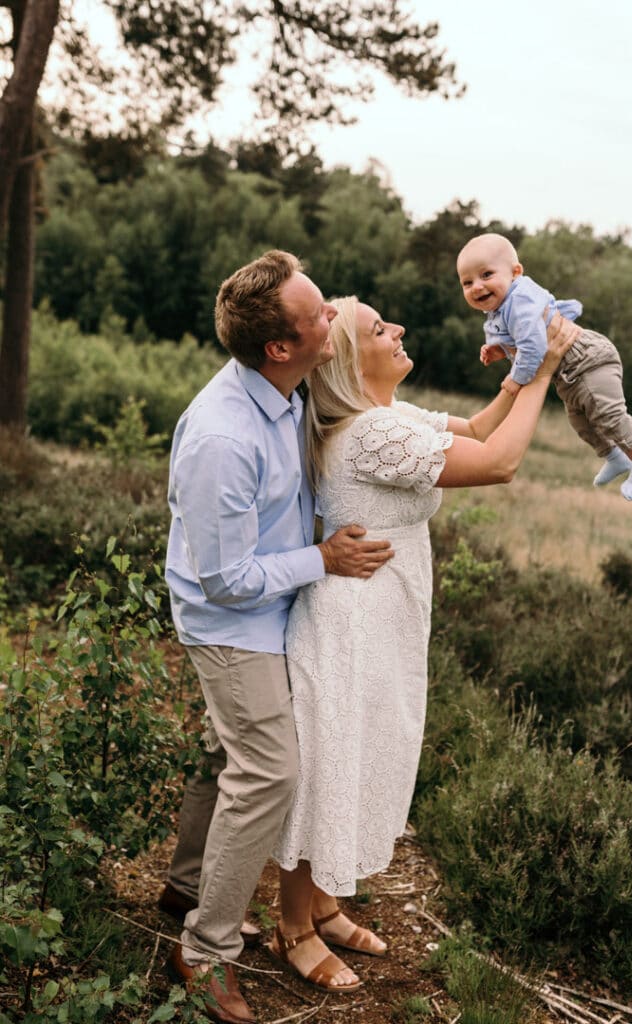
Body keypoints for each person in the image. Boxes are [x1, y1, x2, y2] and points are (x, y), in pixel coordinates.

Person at [268, 295, 579, 992]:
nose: (399, 328)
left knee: (364, 750)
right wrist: (544, 372)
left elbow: (472, 427)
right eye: (380, 328)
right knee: (332, 763)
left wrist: (515, 372)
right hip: (348, 623)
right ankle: (291, 926)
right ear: (350, 359)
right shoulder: (370, 434)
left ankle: (323, 903)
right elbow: (497, 462)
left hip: (381, 615)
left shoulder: (387, 418)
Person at [163, 250, 394, 1024]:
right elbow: (224, 580)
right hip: (232, 623)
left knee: (221, 750)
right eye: (320, 313)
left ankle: (188, 886)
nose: (335, 316)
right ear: (280, 347)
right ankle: (204, 951)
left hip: (276, 604)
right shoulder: (221, 439)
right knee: (267, 770)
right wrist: (322, 559)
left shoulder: (288, 391)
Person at [456, 232, 632, 501]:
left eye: (486, 275)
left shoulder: (519, 300)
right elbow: (523, 341)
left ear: (515, 273)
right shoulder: (501, 308)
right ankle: (615, 456)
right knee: (581, 422)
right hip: (568, 374)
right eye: (467, 282)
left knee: (608, 414)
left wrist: (515, 379)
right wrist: (500, 350)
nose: (477, 286)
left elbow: (534, 346)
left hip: (588, 360)